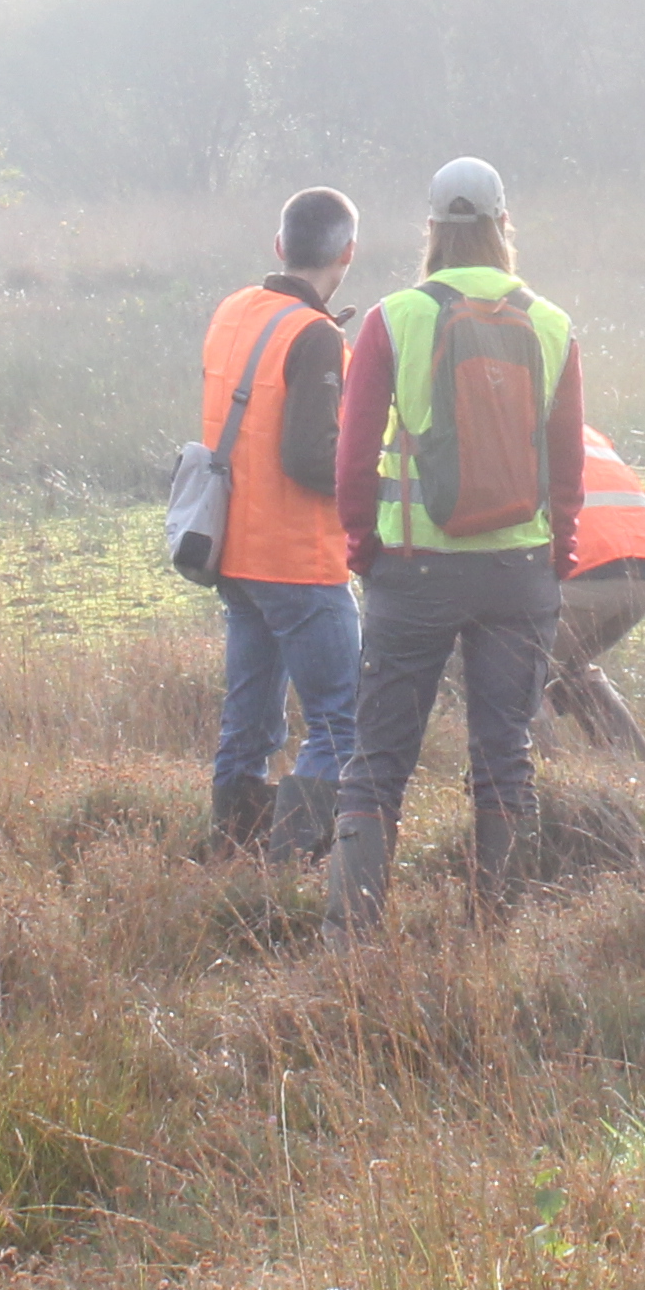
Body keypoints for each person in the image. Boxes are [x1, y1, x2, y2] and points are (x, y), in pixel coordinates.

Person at [328, 158, 589, 928]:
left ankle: (351, 944)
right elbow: (568, 466)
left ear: (433, 231)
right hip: (519, 574)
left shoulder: (393, 317)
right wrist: (557, 556)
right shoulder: (551, 323)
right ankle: (495, 934)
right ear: (504, 227)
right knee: (504, 749)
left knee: (378, 760)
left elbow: (353, 457)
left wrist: (363, 550)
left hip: (413, 572)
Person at [193, 187, 362, 860]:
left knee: (250, 725)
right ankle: (287, 863)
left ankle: (230, 848)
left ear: (279, 247)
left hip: (234, 554)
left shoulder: (234, 311)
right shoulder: (315, 335)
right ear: (348, 253)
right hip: (299, 561)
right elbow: (307, 458)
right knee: (338, 726)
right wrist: (372, 471)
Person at [548, 423, 645, 762]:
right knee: (568, 667)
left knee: (512, 675)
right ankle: (640, 778)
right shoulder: (581, 428)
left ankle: (530, 795)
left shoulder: (504, 427)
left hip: (586, 567)